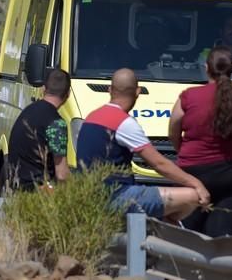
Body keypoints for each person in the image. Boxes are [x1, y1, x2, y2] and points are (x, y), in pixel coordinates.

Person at [76, 68, 210, 223]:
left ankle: (158, 229)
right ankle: (163, 234)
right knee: (192, 196)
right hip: (115, 197)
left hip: (89, 196)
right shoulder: (124, 123)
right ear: (138, 91)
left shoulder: (91, 116)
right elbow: (159, 164)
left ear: (110, 90)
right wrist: (196, 183)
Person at [168, 46, 232, 236]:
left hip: (194, 173)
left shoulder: (189, 97)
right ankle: (217, 263)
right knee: (220, 233)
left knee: (187, 233)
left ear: (206, 68)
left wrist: (183, 152)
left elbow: (173, 131)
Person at [7, 69, 71, 191]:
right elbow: (62, 175)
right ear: (68, 94)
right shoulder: (56, 123)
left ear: (43, 89)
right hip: (39, 194)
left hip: (17, 189)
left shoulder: (27, 112)